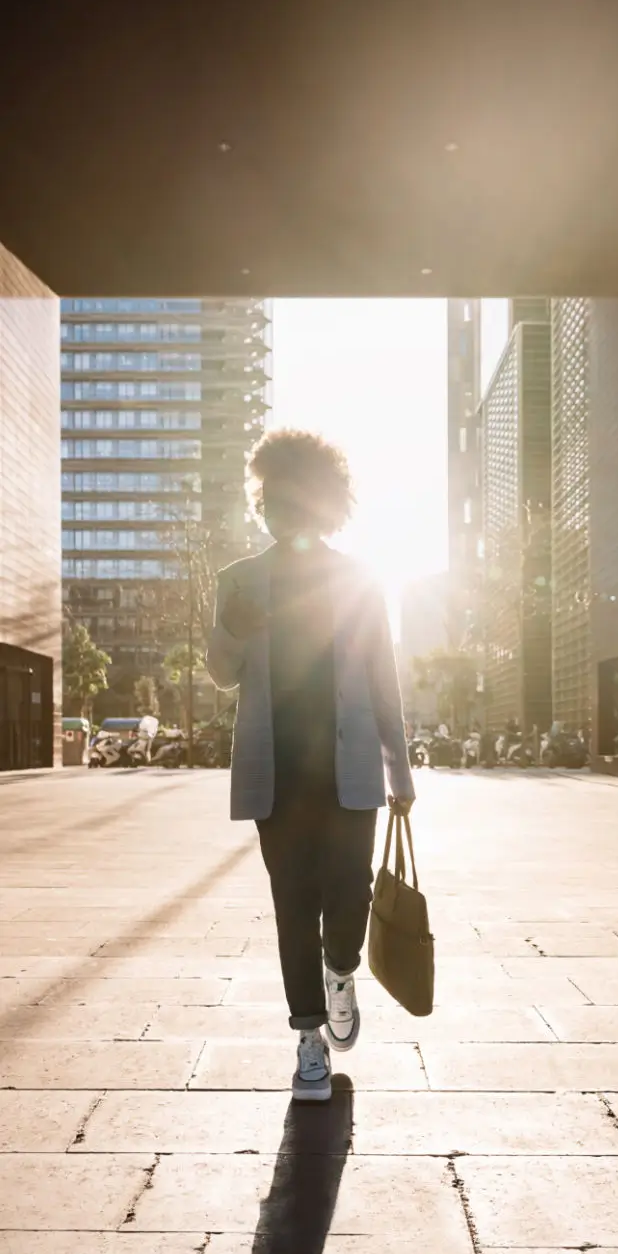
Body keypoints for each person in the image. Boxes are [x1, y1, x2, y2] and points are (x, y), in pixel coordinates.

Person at [206, 429, 415, 1103]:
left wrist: (401, 776)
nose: (280, 512)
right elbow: (220, 674)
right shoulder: (239, 579)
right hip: (278, 777)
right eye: (269, 500)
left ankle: (341, 965)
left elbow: (384, 681)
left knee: (349, 891)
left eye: (293, 500)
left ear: (324, 505)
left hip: (348, 772)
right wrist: (232, 627)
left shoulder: (358, 579)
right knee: (293, 904)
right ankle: (307, 1041)